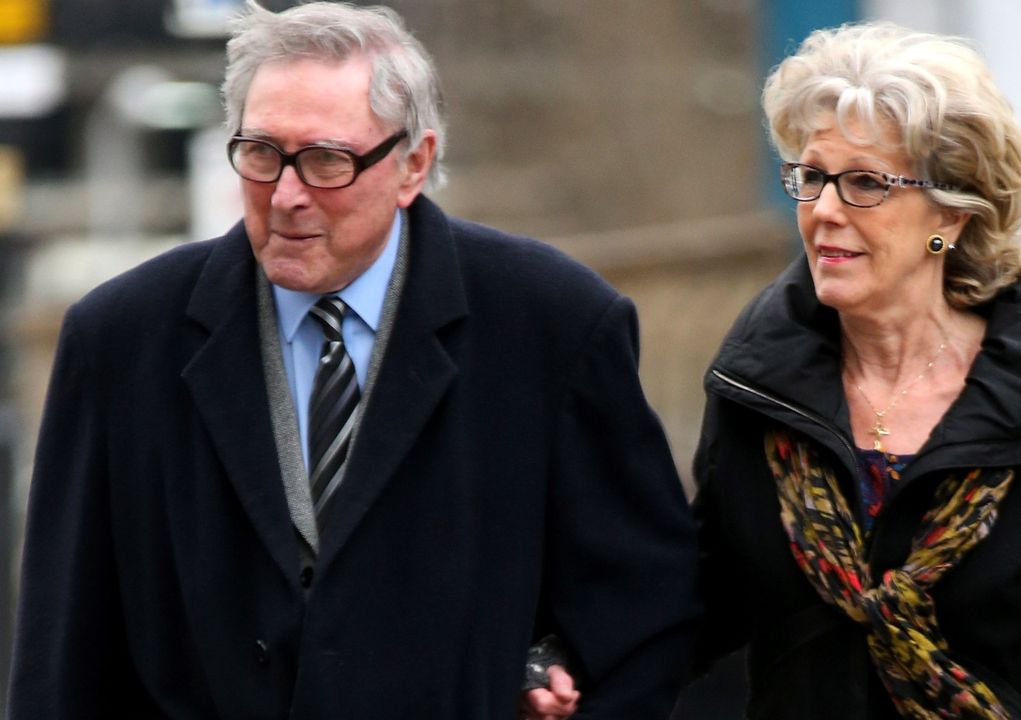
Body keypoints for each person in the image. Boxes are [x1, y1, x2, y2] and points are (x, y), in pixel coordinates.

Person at [5, 2, 699, 718]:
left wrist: (540, 664)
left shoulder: (555, 325)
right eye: (262, 153)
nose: (287, 195)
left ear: (415, 164)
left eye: (327, 160)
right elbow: (62, 656)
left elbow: (644, 618)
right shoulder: (120, 341)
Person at [689, 21, 1021, 719]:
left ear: (952, 214)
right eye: (812, 177)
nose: (824, 211)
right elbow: (692, 607)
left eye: (862, 183)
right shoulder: (756, 391)